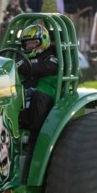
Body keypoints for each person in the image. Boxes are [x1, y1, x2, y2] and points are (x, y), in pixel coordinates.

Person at [16, 22, 59, 151]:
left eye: (33, 42)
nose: (29, 45)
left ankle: (35, 140)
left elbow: (43, 67)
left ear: (43, 42)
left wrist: (24, 66)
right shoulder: (22, 59)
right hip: (27, 93)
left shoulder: (52, 58)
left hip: (47, 95)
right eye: (27, 43)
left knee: (37, 96)